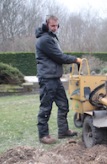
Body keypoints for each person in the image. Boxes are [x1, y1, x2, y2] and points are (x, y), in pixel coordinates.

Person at [35, 14, 82, 144]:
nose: (55, 28)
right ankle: (43, 135)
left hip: (55, 79)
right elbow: (59, 57)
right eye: (52, 26)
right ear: (46, 25)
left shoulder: (51, 37)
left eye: (56, 25)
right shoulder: (44, 40)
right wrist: (75, 59)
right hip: (47, 79)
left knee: (63, 105)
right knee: (46, 108)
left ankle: (63, 131)